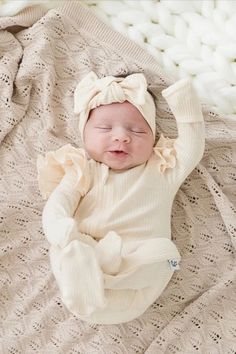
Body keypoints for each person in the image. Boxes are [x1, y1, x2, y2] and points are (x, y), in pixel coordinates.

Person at [37, 71, 205, 324]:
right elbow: (58, 205)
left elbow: (192, 148)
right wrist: (62, 230)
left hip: (137, 278)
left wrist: (184, 101)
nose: (121, 137)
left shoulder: (162, 169)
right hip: (86, 251)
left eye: (137, 131)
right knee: (67, 248)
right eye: (105, 128)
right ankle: (88, 271)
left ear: (153, 140)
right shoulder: (83, 170)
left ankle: (99, 275)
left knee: (167, 255)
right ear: (84, 137)